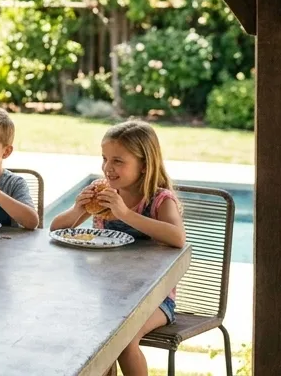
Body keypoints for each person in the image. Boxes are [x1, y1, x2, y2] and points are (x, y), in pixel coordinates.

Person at [50, 119, 186, 376]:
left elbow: (177, 238)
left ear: (144, 165)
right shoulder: (105, 195)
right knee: (93, 338)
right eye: (104, 159)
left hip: (155, 300)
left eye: (118, 161)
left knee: (123, 341)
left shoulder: (159, 200)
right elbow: (56, 229)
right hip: (110, 296)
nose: (107, 168)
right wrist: (78, 209)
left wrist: (125, 214)